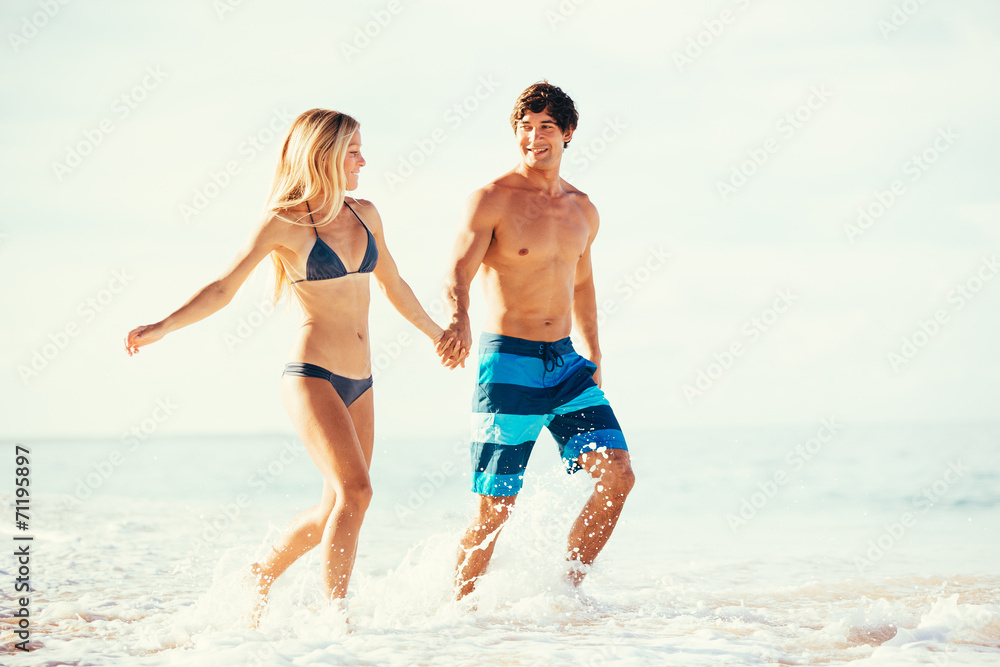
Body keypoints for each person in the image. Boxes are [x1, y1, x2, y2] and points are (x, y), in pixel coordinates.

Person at [124, 109, 443, 621]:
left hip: (361, 380)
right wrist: (163, 326)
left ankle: (259, 575)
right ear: (325, 156)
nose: (363, 158)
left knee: (332, 509)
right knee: (357, 492)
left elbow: (396, 286)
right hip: (312, 375)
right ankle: (335, 621)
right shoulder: (285, 222)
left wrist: (437, 335)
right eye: (353, 150)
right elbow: (223, 288)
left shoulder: (367, 214)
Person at [436, 82, 636, 599]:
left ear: (567, 132)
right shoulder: (492, 199)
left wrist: (594, 353)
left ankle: (567, 592)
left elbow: (585, 285)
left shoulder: (583, 209)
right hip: (508, 364)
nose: (534, 137)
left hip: (566, 365)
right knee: (495, 508)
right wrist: (458, 319)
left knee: (617, 475)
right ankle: (456, 616)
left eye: (546, 126)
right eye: (525, 127)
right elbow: (458, 271)